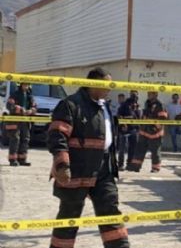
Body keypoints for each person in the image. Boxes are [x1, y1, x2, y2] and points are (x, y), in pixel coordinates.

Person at [47, 67, 129, 248]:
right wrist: (62, 165)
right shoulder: (70, 105)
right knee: (69, 216)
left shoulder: (104, 105)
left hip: (104, 169)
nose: (110, 88)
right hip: (77, 170)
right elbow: (57, 135)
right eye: (106, 84)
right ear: (93, 83)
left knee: (110, 212)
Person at [129, 91, 167, 173]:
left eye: (151, 94)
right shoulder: (147, 103)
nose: (148, 95)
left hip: (155, 133)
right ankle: (136, 166)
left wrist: (156, 128)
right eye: (148, 93)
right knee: (140, 149)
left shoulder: (160, 105)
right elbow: (145, 115)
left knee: (155, 151)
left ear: (156, 95)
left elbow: (163, 118)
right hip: (145, 130)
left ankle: (155, 168)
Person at [5, 82, 36, 166]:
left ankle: (22, 159)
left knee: (25, 139)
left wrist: (31, 110)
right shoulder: (14, 94)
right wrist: (21, 110)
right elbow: (9, 106)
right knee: (15, 139)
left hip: (25, 122)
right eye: (25, 84)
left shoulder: (30, 96)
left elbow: (35, 106)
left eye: (28, 85)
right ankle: (13, 160)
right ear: (21, 85)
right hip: (15, 121)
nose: (26, 86)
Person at [116, 91, 140, 170]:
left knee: (132, 148)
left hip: (133, 129)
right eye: (133, 95)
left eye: (136, 95)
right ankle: (120, 165)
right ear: (130, 95)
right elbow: (119, 115)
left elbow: (138, 118)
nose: (135, 97)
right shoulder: (125, 104)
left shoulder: (137, 106)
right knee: (122, 148)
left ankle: (129, 164)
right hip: (124, 129)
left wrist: (138, 128)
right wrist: (123, 125)